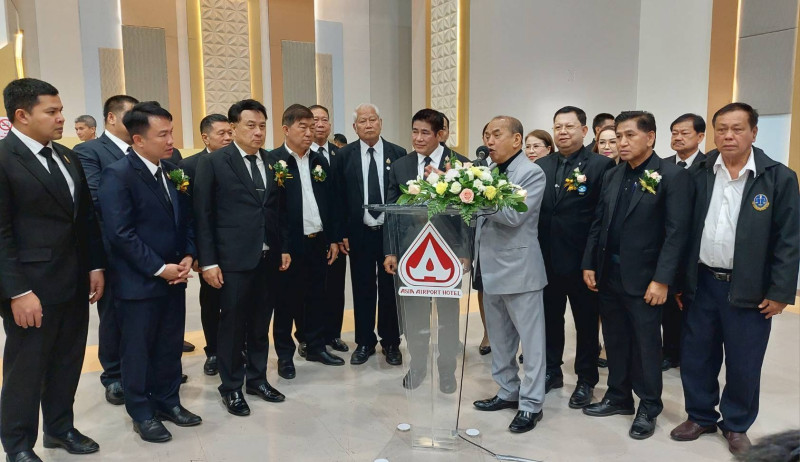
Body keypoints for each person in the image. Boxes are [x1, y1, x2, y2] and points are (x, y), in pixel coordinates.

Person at [670, 103, 800, 455]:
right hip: (702, 281)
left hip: (750, 287)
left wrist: (780, 291)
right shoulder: (698, 172)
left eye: (737, 129)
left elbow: (789, 239)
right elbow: (682, 230)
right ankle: (699, 415)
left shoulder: (778, 177)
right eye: (722, 129)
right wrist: (680, 280)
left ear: (753, 132)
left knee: (744, 360)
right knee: (697, 354)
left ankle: (737, 423)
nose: (728, 135)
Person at [0, 78, 105, 461]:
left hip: (73, 280)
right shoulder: (4, 159)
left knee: (67, 362)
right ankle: (17, 445)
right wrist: (17, 292)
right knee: (26, 369)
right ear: (22, 115)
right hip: (31, 288)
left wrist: (95, 265)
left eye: (60, 110)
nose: (61, 118)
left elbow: (85, 219)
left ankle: (59, 429)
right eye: (52, 111)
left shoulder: (66, 156)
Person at [581, 111, 692, 440]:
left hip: (646, 278)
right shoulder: (614, 174)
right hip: (609, 272)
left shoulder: (672, 176)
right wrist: (589, 262)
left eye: (630, 135)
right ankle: (618, 395)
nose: (622, 142)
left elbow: (677, 233)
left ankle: (649, 405)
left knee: (646, 345)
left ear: (650, 137)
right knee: (615, 338)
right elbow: (599, 222)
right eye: (618, 136)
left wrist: (662, 279)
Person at [98, 101, 201, 443]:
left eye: (171, 132)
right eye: (163, 134)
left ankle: (169, 401)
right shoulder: (118, 174)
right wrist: (159, 268)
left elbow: (186, 220)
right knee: (138, 350)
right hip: (139, 282)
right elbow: (120, 234)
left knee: (169, 345)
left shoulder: (171, 170)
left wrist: (188, 254)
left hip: (174, 277)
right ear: (139, 140)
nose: (171, 140)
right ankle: (142, 412)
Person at [194, 99, 290, 416]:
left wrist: (283, 247)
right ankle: (231, 386)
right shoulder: (214, 163)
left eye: (262, 126)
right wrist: (208, 262)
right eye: (251, 125)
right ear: (233, 127)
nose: (258, 132)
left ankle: (257, 379)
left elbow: (279, 211)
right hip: (232, 260)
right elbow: (203, 216)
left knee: (261, 323)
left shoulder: (273, 161)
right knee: (233, 326)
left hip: (267, 257)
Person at [383, 108, 470, 392]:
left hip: (448, 252)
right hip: (411, 252)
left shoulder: (460, 165)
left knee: (448, 315)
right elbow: (391, 213)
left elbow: (468, 215)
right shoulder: (401, 166)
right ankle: (418, 365)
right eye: (415, 131)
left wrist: (465, 251)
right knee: (414, 314)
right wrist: (391, 251)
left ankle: (446, 370)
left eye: (425, 133)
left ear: (440, 134)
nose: (418, 138)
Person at [472, 115, 548, 434]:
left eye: (496, 134)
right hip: (489, 268)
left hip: (520, 269)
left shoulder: (531, 173)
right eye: (486, 135)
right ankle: (507, 391)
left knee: (531, 342)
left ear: (517, 140)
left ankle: (531, 403)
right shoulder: (488, 171)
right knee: (500, 338)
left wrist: (473, 195)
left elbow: (514, 215)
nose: (489, 141)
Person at [536, 106, 614, 408]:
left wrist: (591, 261)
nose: (562, 132)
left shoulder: (600, 166)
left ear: (584, 131)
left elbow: (600, 218)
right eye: (558, 126)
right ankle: (552, 371)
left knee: (586, 323)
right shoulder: (542, 165)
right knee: (549, 319)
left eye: (569, 126)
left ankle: (586, 379)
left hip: (582, 262)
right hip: (546, 259)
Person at [74, 94, 139, 406]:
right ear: (111, 118)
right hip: (111, 248)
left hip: (146, 248)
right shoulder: (89, 151)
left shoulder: (143, 147)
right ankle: (113, 375)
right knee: (113, 314)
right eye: (131, 116)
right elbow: (96, 198)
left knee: (144, 314)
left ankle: (142, 368)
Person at [270, 104, 343, 380]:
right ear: (286, 129)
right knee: (286, 302)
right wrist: (282, 246)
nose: (310, 132)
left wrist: (333, 238)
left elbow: (331, 202)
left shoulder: (318, 161)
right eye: (303, 127)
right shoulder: (274, 161)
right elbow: (273, 211)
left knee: (316, 296)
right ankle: (285, 356)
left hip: (317, 240)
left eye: (312, 127)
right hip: (289, 245)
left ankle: (315, 346)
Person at [335, 103, 405, 366]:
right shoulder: (344, 156)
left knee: (390, 290)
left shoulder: (398, 153)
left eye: (372, 119)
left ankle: (391, 342)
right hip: (359, 233)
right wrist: (341, 232)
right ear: (355, 127)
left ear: (381, 122)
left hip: (390, 234)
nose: (368, 125)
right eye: (362, 121)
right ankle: (364, 342)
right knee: (362, 288)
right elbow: (338, 197)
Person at [179, 113, 232, 376]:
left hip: (236, 246)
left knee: (238, 300)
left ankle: (236, 348)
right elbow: (189, 214)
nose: (228, 137)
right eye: (221, 133)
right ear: (205, 137)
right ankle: (213, 351)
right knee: (211, 301)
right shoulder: (189, 166)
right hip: (208, 248)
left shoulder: (238, 161)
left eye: (230, 132)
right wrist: (197, 252)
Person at [661, 113, 707, 371]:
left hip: (696, 246)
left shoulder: (708, 167)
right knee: (668, 302)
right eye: (674, 133)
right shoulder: (663, 166)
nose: (678, 137)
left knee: (692, 305)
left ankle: (690, 353)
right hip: (668, 244)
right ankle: (670, 351)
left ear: (700, 137)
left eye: (684, 133)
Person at [309, 104, 349, 354]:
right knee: (312, 289)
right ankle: (309, 337)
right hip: (311, 234)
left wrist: (341, 233)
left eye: (324, 119)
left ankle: (333, 334)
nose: (320, 124)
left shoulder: (339, 155)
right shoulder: (302, 155)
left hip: (336, 234)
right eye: (315, 120)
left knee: (335, 288)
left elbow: (343, 199)